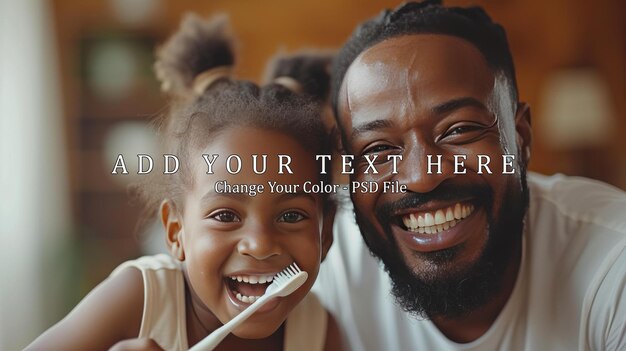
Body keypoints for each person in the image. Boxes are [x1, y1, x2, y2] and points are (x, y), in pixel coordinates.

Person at [312, 1, 626, 350]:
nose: (421, 177)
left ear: (521, 137)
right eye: (377, 149)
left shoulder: (614, 260)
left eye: (458, 129)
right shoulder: (326, 264)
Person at [26, 15, 341, 351]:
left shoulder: (317, 331)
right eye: (225, 215)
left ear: (325, 234)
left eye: (291, 216)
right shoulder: (141, 298)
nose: (260, 244)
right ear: (175, 232)